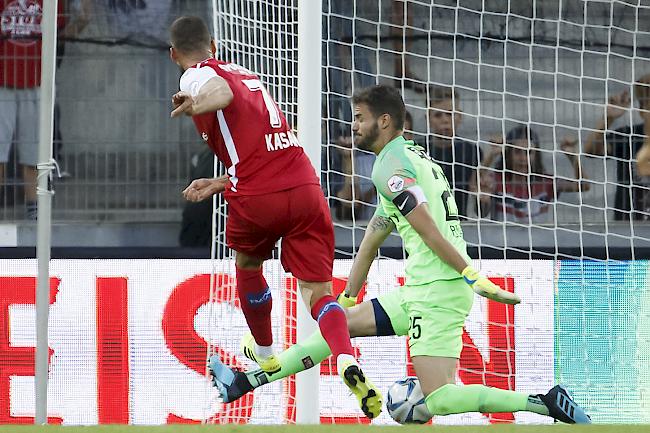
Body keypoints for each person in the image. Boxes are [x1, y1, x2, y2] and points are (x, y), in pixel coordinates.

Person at [209, 85, 591, 425]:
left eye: (360, 118)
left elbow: (427, 226)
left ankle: (543, 402)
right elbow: (372, 238)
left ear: (385, 120)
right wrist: (347, 294)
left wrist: (470, 273)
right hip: (421, 288)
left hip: (439, 291)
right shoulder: (412, 156)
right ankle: (243, 382)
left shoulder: (389, 165)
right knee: (338, 323)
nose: (354, 126)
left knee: (439, 399)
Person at [168, 16, 381, 419]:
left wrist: (196, 102)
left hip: (258, 196)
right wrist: (217, 182)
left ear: (174, 53)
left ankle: (264, 353)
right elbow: (262, 144)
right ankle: (345, 357)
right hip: (303, 187)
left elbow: (217, 93)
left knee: (248, 265)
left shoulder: (197, 76)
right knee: (319, 295)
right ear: (214, 43)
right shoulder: (247, 74)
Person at [0, 0, 90, 219]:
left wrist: (83, 17)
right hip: (2, 83)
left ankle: (35, 208)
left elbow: (67, 27)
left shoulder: (50, 2)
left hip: (37, 83)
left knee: (34, 153)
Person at [478, 125, 590, 223]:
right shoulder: (496, 179)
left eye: (528, 152)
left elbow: (584, 185)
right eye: (517, 152)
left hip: (539, 244)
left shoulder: (546, 182)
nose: (523, 158)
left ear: (536, 155)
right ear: (508, 155)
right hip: (503, 244)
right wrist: (491, 155)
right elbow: (475, 185)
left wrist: (573, 157)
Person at [584, 74, 650, 220]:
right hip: (627, 228)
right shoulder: (628, 135)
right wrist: (608, 118)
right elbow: (591, 150)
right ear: (641, 110)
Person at [426, 85, 478, 217]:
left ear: (459, 117)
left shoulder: (472, 151)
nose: (445, 120)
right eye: (438, 115)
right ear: (428, 118)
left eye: (450, 114)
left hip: (461, 226)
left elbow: (481, 208)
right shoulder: (417, 150)